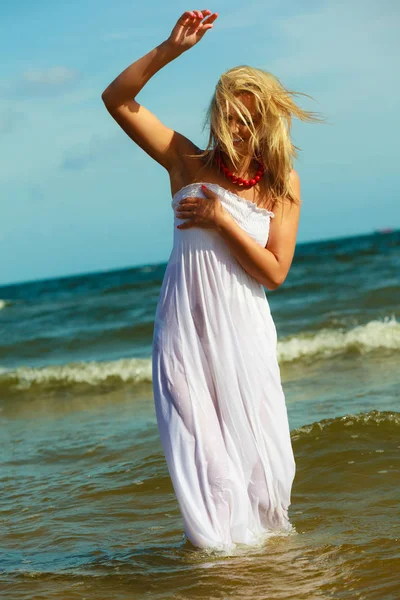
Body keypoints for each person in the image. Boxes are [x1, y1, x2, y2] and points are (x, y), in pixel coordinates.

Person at [102, 9, 320, 551]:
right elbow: (116, 100)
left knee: (260, 461)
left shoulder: (281, 183)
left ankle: (266, 568)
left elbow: (275, 272)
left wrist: (223, 221)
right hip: (183, 335)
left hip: (244, 336)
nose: (238, 131)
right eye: (229, 118)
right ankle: (216, 568)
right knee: (204, 464)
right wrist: (169, 49)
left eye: (249, 120)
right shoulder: (184, 162)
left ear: (269, 121)